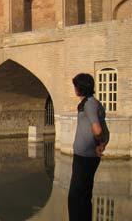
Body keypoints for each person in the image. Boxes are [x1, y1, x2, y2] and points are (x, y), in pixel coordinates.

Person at [68, 73, 110, 221]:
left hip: (85, 158)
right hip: (85, 157)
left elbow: (98, 129)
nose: (74, 88)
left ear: (81, 87)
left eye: (75, 85)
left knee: (76, 198)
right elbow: (104, 129)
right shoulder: (92, 103)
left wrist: (99, 143)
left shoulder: (90, 104)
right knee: (83, 196)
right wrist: (101, 144)